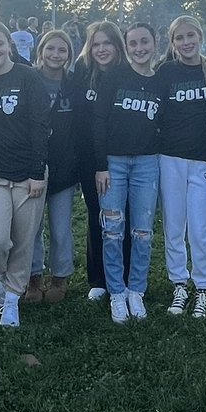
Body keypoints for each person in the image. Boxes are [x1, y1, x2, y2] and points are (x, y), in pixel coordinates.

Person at [0, 19, 51, 328]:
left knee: (22, 241)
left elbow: (39, 126)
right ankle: (0, 276)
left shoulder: (27, 77)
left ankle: (13, 299)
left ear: (9, 44)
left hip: (28, 174)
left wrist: (36, 172)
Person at [94, 22, 162, 324]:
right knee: (112, 230)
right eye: (133, 43)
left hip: (147, 162)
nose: (139, 48)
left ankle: (137, 289)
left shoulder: (161, 81)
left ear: (154, 43)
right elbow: (98, 122)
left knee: (143, 231)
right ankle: (117, 292)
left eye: (144, 42)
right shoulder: (114, 77)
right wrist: (100, 165)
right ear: (127, 46)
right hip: (114, 163)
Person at [156, 15, 206, 319]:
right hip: (170, 159)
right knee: (174, 225)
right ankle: (179, 283)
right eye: (179, 38)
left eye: (191, 35)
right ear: (172, 42)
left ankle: (202, 286)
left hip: (203, 159)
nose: (186, 42)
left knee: (201, 227)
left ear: (200, 36)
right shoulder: (164, 72)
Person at [72, 20, 129, 301]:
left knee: (124, 216)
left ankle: (125, 274)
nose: (102, 49)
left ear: (118, 45)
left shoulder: (128, 73)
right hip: (89, 158)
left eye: (107, 43)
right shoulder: (82, 73)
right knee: (99, 216)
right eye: (96, 44)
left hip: (122, 156)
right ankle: (98, 277)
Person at [27, 29, 78, 304]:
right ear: (41, 50)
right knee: (32, 228)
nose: (55, 55)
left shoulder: (73, 83)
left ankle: (60, 277)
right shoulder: (29, 79)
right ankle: (33, 278)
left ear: (69, 55)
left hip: (65, 167)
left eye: (62, 50)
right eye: (50, 49)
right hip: (34, 166)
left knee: (60, 228)